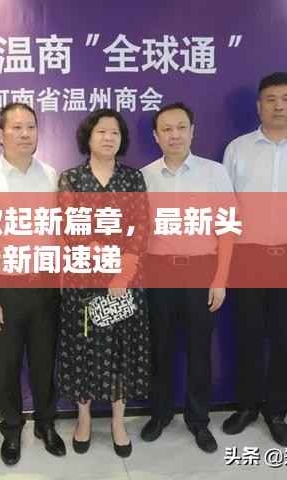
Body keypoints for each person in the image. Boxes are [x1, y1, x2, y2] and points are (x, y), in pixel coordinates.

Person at [0, 102, 66, 466]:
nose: (25, 134)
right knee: (6, 366)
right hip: (4, 288)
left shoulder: (52, 176)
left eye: (31, 127)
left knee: (44, 362)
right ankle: (11, 428)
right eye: (16, 127)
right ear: (1, 134)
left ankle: (45, 423)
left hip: (45, 287)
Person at [140, 102, 234, 453]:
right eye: (166, 129)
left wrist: (220, 278)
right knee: (159, 348)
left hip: (201, 271)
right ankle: (160, 414)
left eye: (181, 127)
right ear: (156, 136)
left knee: (199, 351)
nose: (174, 135)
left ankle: (198, 420)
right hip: (159, 272)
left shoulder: (214, 173)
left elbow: (227, 229)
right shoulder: (144, 176)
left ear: (193, 131)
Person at [56, 109, 150, 458]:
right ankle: (83, 419)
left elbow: (141, 228)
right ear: (88, 137)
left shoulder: (133, 179)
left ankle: (117, 421)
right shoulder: (71, 179)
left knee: (120, 351)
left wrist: (122, 274)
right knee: (83, 349)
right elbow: (70, 228)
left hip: (124, 283)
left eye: (115, 133)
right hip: (83, 282)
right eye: (101, 132)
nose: (108, 138)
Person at [222, 72, 287, 445]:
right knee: (247, 335)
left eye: (285, 99)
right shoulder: (238, 149)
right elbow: (227, 207)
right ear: (259, 105)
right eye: (271, 99)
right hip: (247, 256)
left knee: (283, 338)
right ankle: (246, 405)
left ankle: (277, 409)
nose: (279, 106)